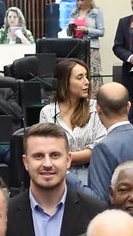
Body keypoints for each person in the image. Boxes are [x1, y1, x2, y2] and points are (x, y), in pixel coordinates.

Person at [1, 122, 104, 236]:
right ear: (25, 162)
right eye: (38, 156)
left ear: (68, 160)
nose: (47, 164)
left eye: (55, 155)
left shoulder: (96, 213)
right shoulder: (5, 215)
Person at [86, 81, 133, 194]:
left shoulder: (103, 148)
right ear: (128, 106)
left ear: (98, 108)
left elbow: (98, 199)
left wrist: (69, 177)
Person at [40, 58, 104, 189]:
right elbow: (45, 149)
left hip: (91, 176)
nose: (87, 82)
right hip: (56, 176)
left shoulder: (95, 108)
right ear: (65, 82)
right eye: (80, 78)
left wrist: (62, 157)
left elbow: (98, 150)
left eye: (87, 77)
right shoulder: (48, 112)